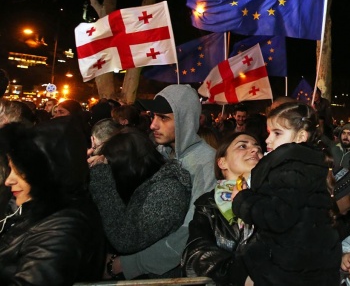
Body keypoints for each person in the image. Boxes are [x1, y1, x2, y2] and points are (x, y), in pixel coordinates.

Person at [107, 84, 216, 279]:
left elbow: (190, 231)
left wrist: (130, 263)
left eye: (164, 118)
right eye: (153, 116)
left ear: (186, 120)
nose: (153, 125)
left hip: (170, 273)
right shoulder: (162, 151)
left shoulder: (206, 162)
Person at [232, 102, 341, 285]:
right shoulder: (308, 164)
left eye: (277, 133)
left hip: (287, 270)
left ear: (301, 136)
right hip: (306, 268)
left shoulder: (290, 165)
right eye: (269, 133)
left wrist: (242, 200)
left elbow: (278, 215)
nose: (268, 140)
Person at [0, 118, 105, 284]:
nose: (9, 180)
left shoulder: (64, 226)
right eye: (11, 169)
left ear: (47, 174)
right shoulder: (38, 205)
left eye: (20, 172)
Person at [89, 128, 192, 259]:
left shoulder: (167, 191)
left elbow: (126, 240)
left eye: (111, 166)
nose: (109, 171)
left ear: (127, 166)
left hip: (153, 276)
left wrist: (101, 179)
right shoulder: (145, 184)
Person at [183, 132, 263, 284]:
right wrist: (242, 275)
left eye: (258, 148)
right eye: (242, 146)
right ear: (222, 163)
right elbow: (196, 254)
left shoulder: (275, 199)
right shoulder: (208, 205)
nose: (254, 150)